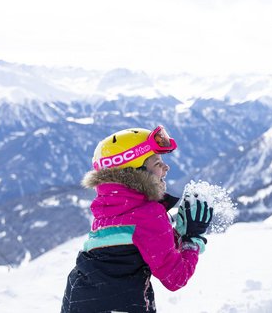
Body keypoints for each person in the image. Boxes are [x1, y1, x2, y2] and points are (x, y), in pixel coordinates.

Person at [61, 125, 213, 313]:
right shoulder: (150, 214)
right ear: (136, 172)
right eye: (157, 163)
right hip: (119, 305)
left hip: (78, 299)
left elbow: (135, 245)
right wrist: (191, 238)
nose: (166, 167)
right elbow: (175, 278)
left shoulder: (108, 208)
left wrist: (176, 235)